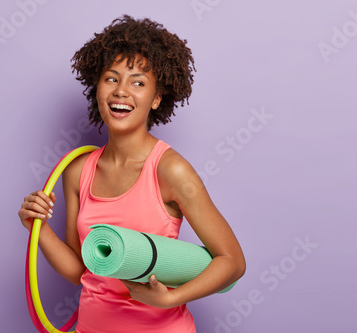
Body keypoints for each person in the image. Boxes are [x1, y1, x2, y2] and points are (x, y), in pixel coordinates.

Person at [18, 15, 246, 333]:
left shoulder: (170, 170)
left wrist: (170, 298)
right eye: (111, 79)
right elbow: (82, 270)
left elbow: (232, 261)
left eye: (138, 82)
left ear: (155, 99)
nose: (121, 91)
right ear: (96, 87)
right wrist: (38, 229)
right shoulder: (77, 172)